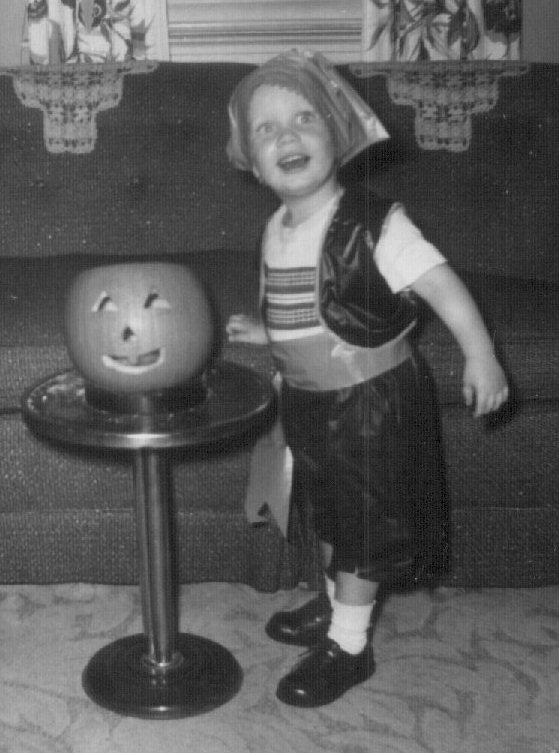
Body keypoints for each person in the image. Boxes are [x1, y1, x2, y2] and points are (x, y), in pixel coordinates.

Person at [225, 50, 509, 708]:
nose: (287, 136)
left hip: (371, 403)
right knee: (325, 513)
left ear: (338, 131)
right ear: (251, 160)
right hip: (308, 401)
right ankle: (334, 609)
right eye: (266, 129)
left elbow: (440, 285)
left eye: (304, 118)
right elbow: (313, 302)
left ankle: (350, 645)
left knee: (362, 525)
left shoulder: (376, 223)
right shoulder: (276, 227)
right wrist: (271, 332)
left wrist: (480, 353)